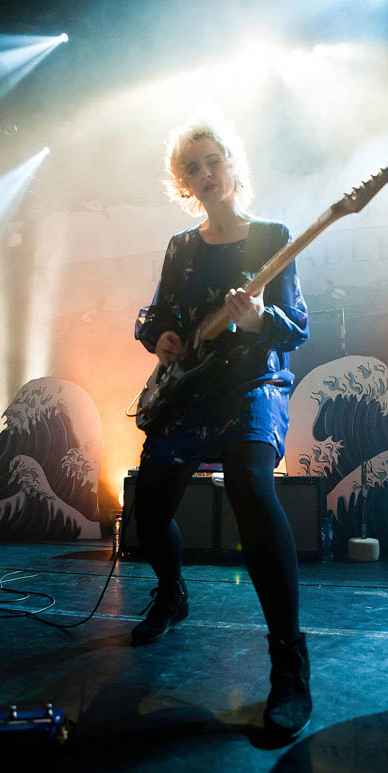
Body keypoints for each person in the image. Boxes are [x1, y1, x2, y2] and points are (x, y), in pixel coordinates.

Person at [132, 111, 311, 740]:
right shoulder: (181, 248)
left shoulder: (275, 237)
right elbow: (153, 314)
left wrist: (260, 319)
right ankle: (172, 592)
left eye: (212, 161)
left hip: (252, 383)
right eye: (191, 168)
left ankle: (289, 665)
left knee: (251, 489)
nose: (204, 174)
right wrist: (164, 337)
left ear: (233, 165)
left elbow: (296, 326)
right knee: (146, 517)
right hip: (189, 390)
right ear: (182, 183)